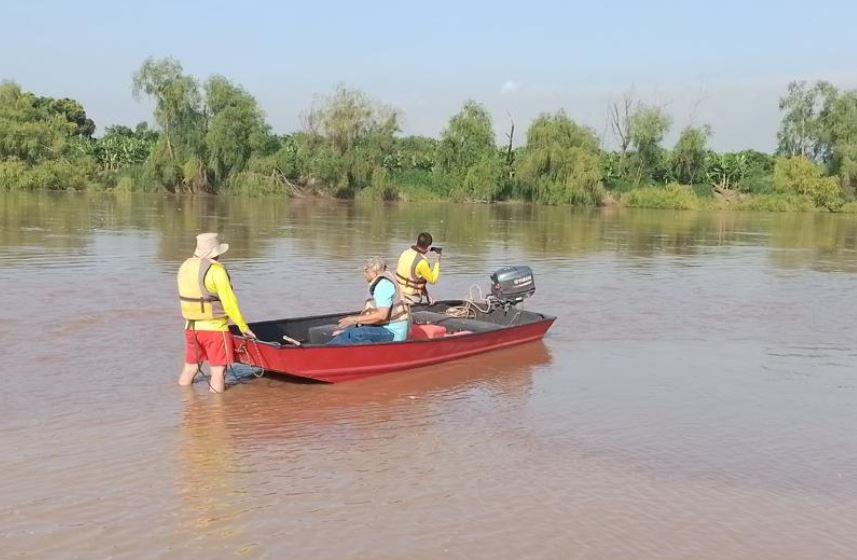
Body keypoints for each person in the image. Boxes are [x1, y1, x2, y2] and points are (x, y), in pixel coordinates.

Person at [177, 233, 256, 393]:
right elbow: (230, 304)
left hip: (191, 327)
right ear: (215, 252)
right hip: (215, 329)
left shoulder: (185, 266)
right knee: (218, 371)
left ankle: (185, 403)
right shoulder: (217, 270)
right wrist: (243, 328)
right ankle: (217, 407)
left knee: (191, 367)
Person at [329, 256, 410, 345]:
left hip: (392, 332)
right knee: (347, 331)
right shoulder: (385, 279)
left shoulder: (383, 285)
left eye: (366, 271)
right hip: (384, 327)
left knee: (352, 334)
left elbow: (382, 316)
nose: (364, 274)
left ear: (375, 272)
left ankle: (326, 351)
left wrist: (353, 320)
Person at [395, 232, 441, 304]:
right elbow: (433, 280)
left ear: (417, 242)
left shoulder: (405, 253)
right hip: (412, 298)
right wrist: (437, 261)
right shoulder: (422, 262)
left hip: (400, 295)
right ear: (429, 247)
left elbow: (413, 277)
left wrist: (427, 294)